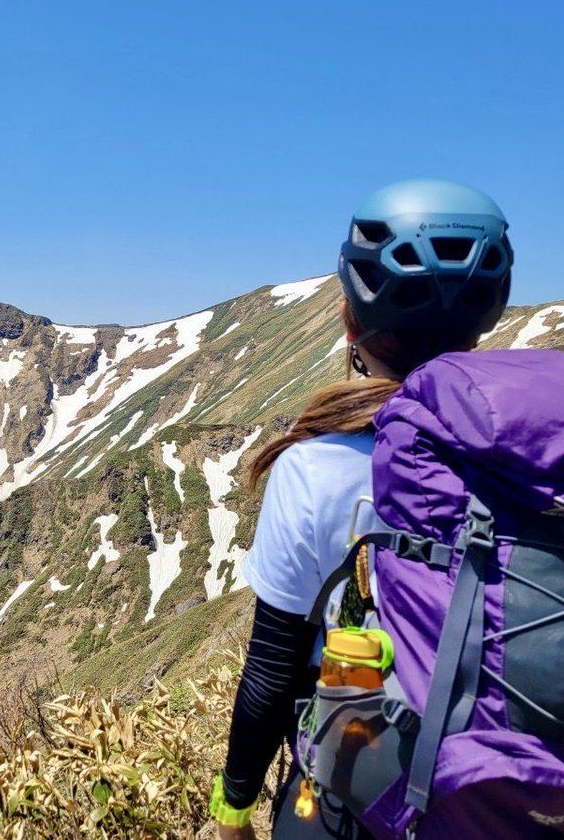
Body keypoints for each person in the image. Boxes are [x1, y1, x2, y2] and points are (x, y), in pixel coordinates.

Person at [208, 179, 515, 839]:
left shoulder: (313, 468)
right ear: (490, 313)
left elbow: (272, 668)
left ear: (351, 319)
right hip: (529, 776)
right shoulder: (539, 455)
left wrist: (233, 810)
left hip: (367, 776)